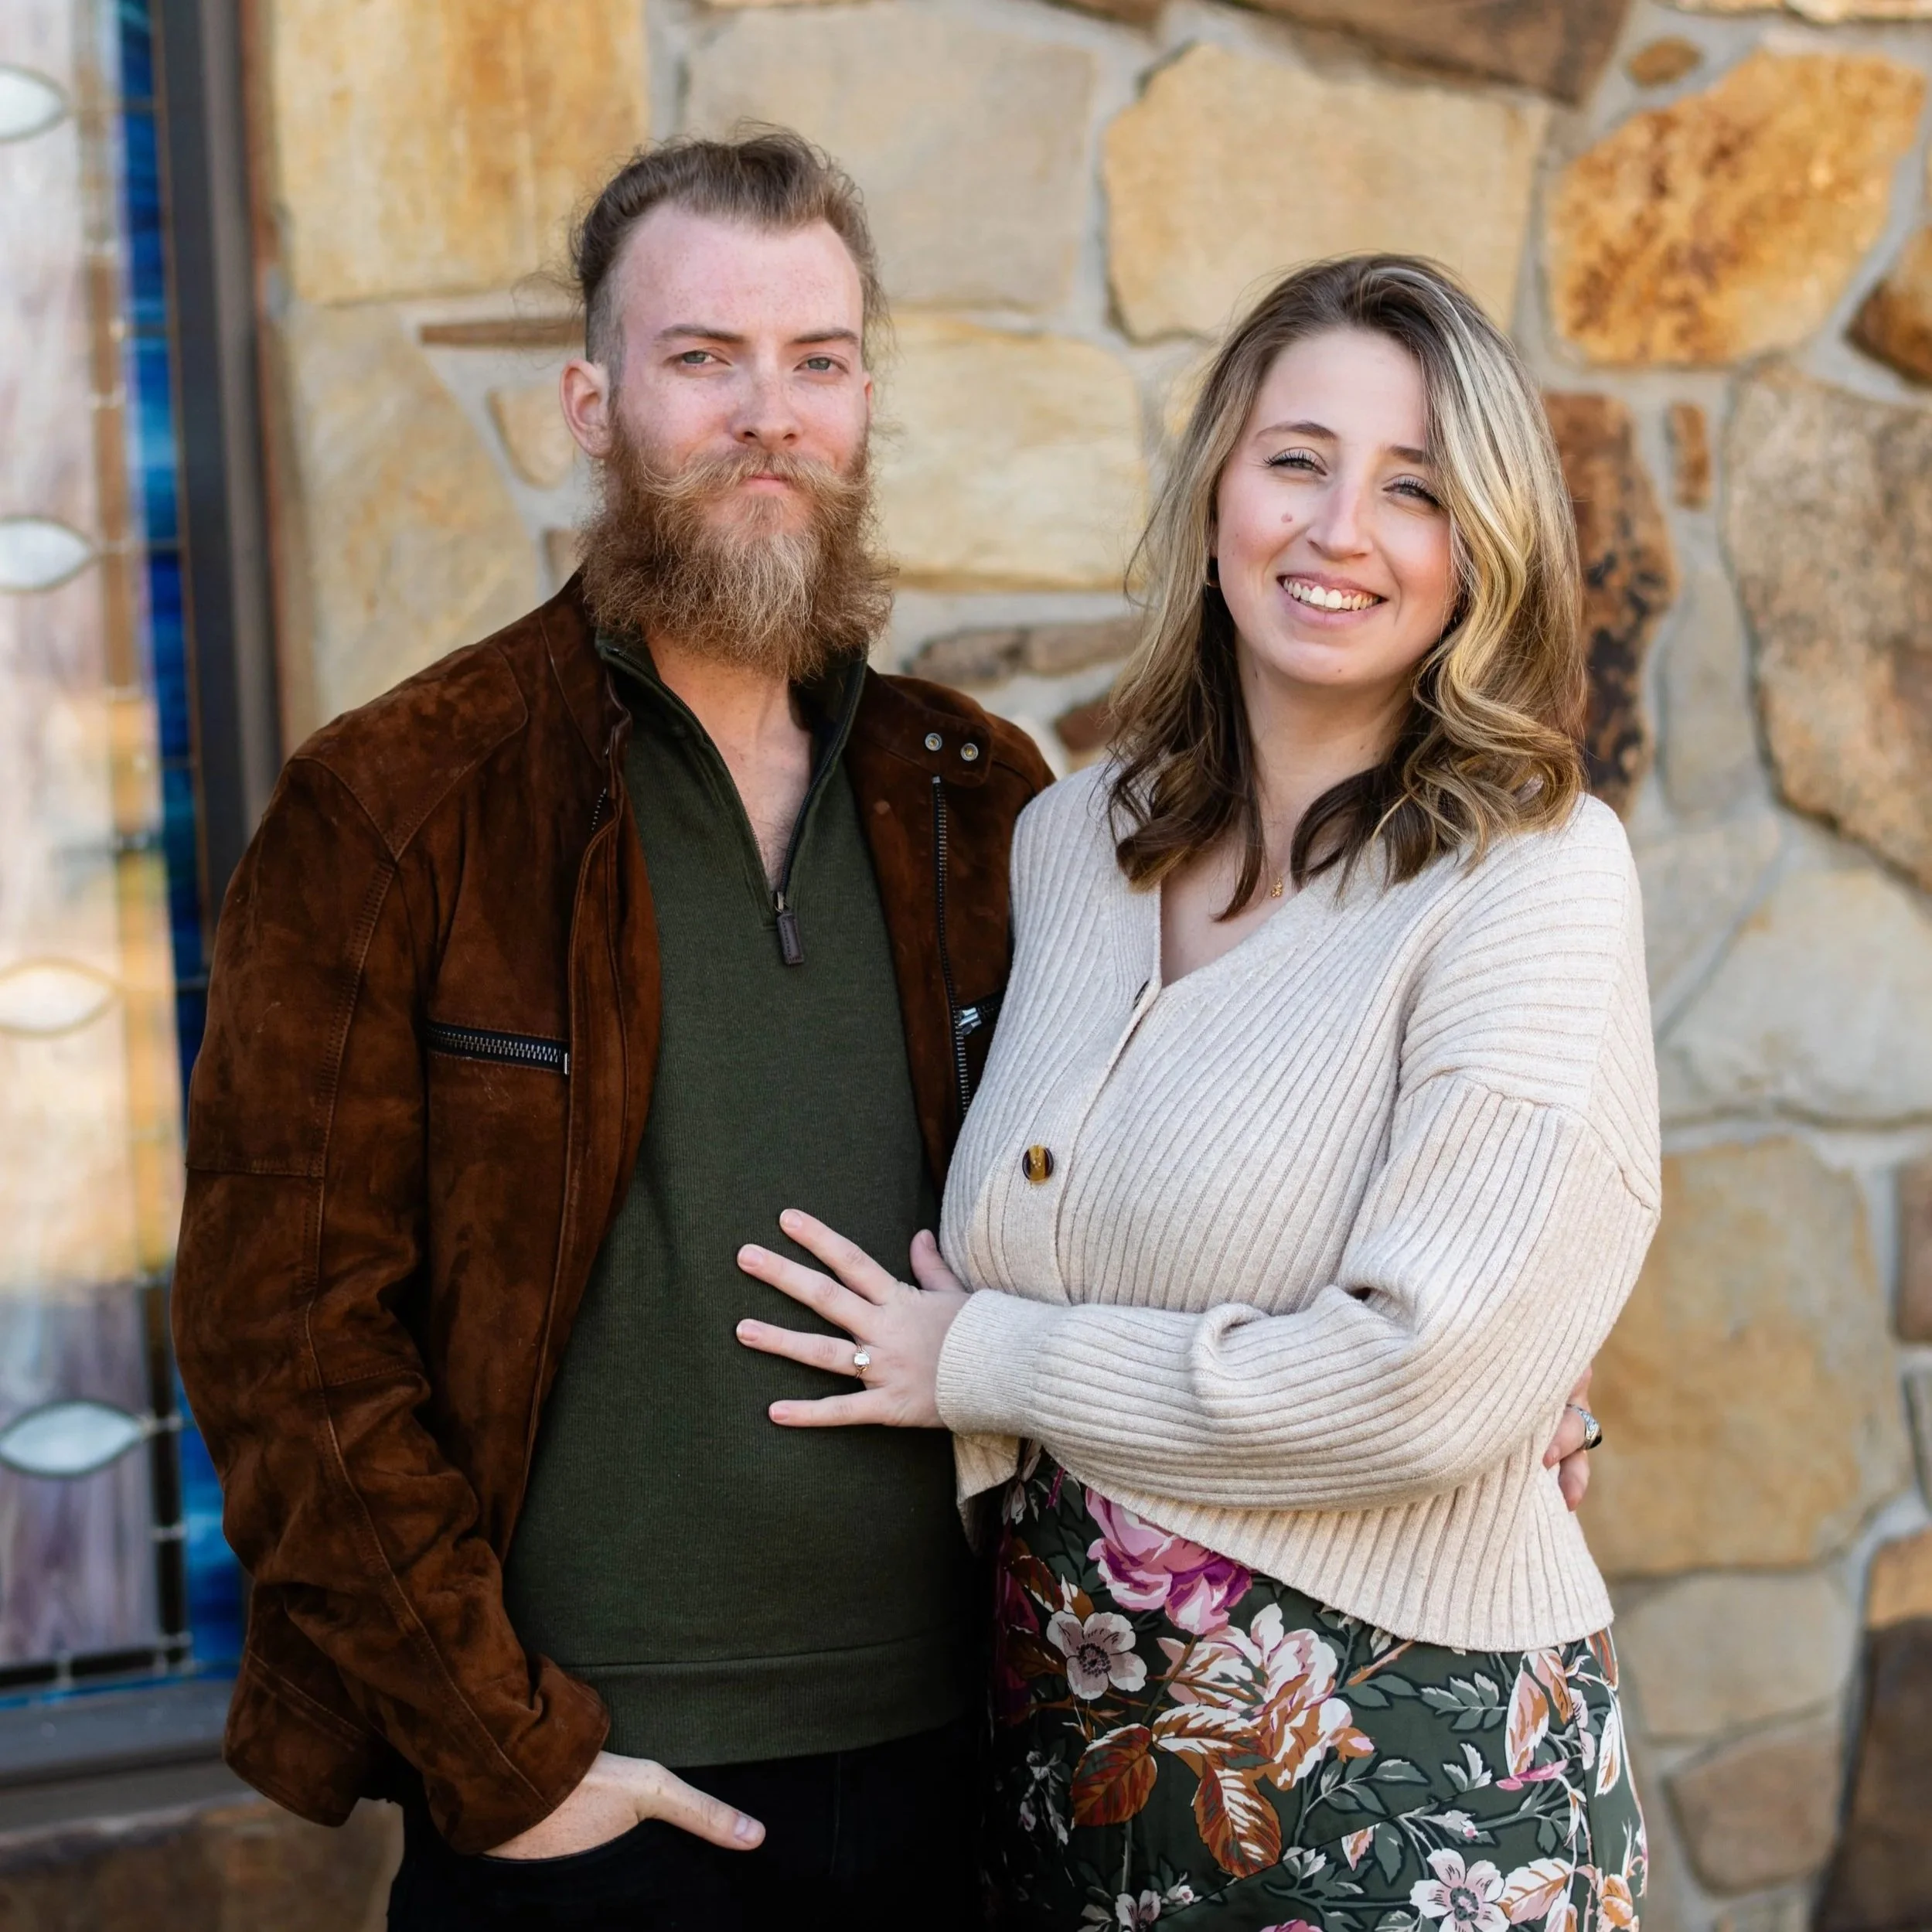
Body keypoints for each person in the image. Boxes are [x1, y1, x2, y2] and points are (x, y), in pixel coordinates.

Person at [171, 133, 1053, 1931]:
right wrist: (504, 1755)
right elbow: (285, 1342)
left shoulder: (982, 798)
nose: (767, 415)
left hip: (967, 1773)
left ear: (865, 400)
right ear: (592, 400)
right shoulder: (402, 800)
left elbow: (1154, 1192)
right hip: (597, 1798)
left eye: (815, 361)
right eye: (700, 359)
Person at [733, 254, 1655, 1930]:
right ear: (1220, 479)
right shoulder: (1072, 840)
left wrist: (982, 1358)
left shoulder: (1533, 874)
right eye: (1296, 459)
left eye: (1415, 490)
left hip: (1400, 1766)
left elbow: (1428, 1375)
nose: (1338, 531)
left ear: (1485, 547)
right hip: (1067, 1755)